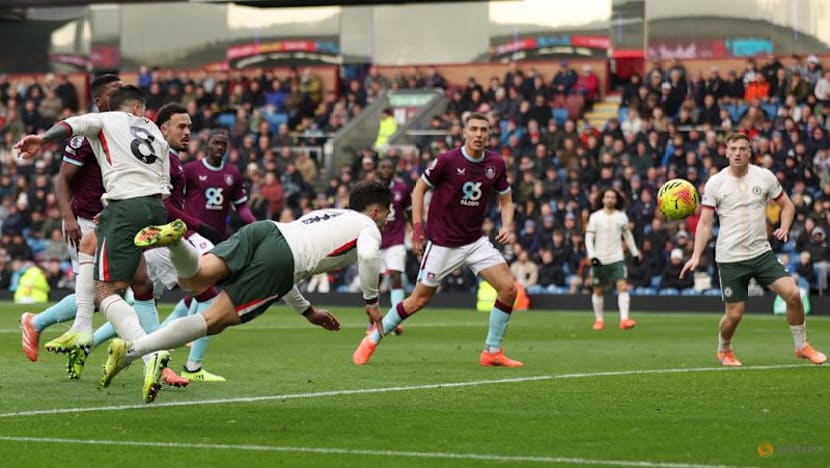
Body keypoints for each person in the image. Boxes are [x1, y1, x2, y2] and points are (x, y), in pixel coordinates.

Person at [100, 181, 392, 403]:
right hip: (282, 259)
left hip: (264, 231)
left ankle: (175, 243)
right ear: (375, 210)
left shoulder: (333, 214)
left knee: (196, 280)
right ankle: (131, 352)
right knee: (212, 321)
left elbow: (290, 263)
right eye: (387, 213)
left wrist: (308, 311)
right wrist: (372, 302)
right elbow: (366, 256)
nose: (387, 220)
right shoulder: (369, 226)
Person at [16, 85, 177, 401]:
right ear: (136, 109)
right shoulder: (155, 132)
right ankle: (81, 327)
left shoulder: (106, 120)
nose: (143, 114)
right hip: (154, 207)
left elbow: (69, 125)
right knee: (122, 272)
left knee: (106, 292)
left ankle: (148, 352)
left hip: (124, 206)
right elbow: (164, 186)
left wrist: (42, 139)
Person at [352, 112, 523, 367]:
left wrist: (507, 224)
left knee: (508, 289)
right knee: (418, 300)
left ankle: (492, 351)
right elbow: (419, 189)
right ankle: (373, 338)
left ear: (489, 134)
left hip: (475, 241)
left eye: (483, 130)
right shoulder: (447, 160)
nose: (478, 134)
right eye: (474, 129)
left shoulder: (495, 163)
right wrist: (418, 228)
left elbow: (506, 197)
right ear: (464, 132)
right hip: (443, 243)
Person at [680, 133, 826, 366]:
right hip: (730, 258)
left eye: (742, 148)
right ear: (726, 152)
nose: (738, 153)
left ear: (750, 152)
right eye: (733, 149)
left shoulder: (764, 177)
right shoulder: (715, 183)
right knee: (735, 314)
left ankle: (801, 346)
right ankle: (724, 349)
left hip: (761, 253)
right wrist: (696, 255)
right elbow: (705, 223)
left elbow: (787, 206)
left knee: (793, 294)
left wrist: (785, 227)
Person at [19, 74, 120, 364]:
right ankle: (37, 324)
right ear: (99, 100)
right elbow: (62, 178)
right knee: (98, 292)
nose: (121, 94)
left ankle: (73, 338)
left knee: (111, 293)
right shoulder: (87, 132)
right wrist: (69, 217)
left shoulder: (124, 130)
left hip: (112, 219)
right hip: (85, 221)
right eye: (115, 90)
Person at [153, 128, 257, 382]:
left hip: (216, 239)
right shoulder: (189, 170)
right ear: (207, 145)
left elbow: (241, 209)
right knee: (210, 295)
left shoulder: (232, 174)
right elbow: (174, 198)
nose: (220, 148)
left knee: (194, 297)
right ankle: (191, 364)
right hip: (192, 237)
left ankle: (161, 338)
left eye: (224, 144)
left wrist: (257, 226)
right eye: (216, 143)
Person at [585, 188, 640, 331]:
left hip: (617, 258)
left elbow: (628, 236)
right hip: (600, 258)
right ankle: (599, 320)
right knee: (598, 290)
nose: (610, 199)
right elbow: (589, 238)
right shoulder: (595, 217)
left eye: (612, 197)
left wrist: (635, 253)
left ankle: (624, 320)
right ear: (602, 199)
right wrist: (592, 256)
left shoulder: (621, 217)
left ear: (616, 201)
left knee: (622, 286)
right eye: (607, 197)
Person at [371, 157, 411, 335]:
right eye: (383, 167)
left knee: (395, 275)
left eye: (389, 167)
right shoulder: (370, 189)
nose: (386, 169)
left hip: (395, 240)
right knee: (372, 280)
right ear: (377, 170)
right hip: (374, 240)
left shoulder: (402, 188)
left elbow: (409, 212)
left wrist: (418, 232)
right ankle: (372, 322)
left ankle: (396, 319)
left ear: (394, 170)